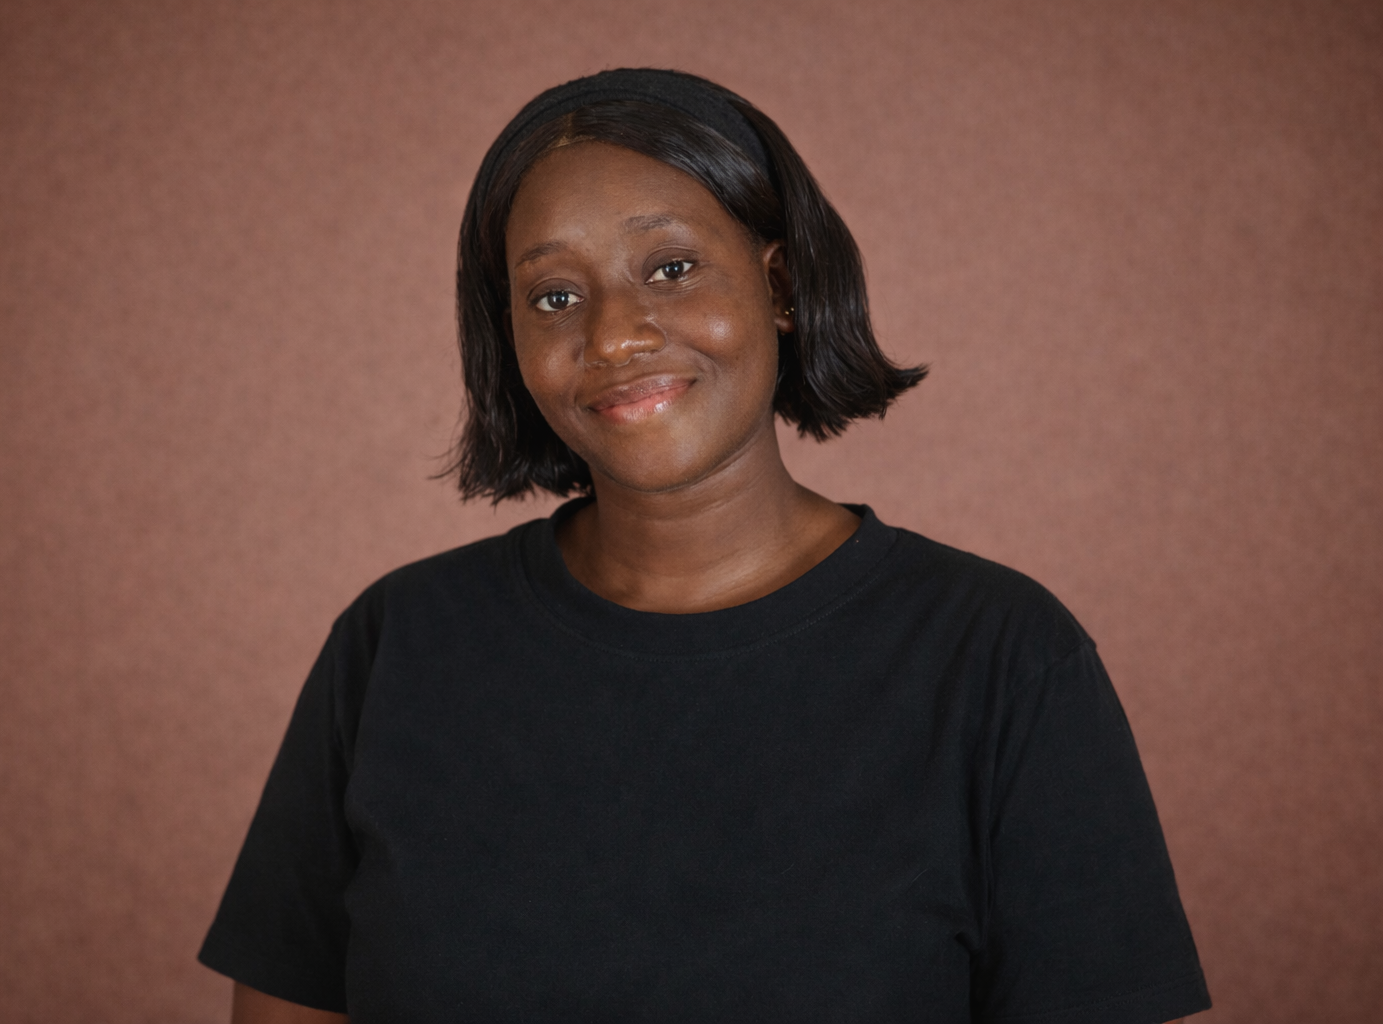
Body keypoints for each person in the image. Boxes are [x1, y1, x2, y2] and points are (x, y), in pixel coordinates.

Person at [200, 68, 1211, 1024]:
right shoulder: (396, 645)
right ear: (505, 335)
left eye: (672, 269)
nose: (615, 335)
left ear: (780, 284)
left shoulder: (1001, 658)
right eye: (554, 295)